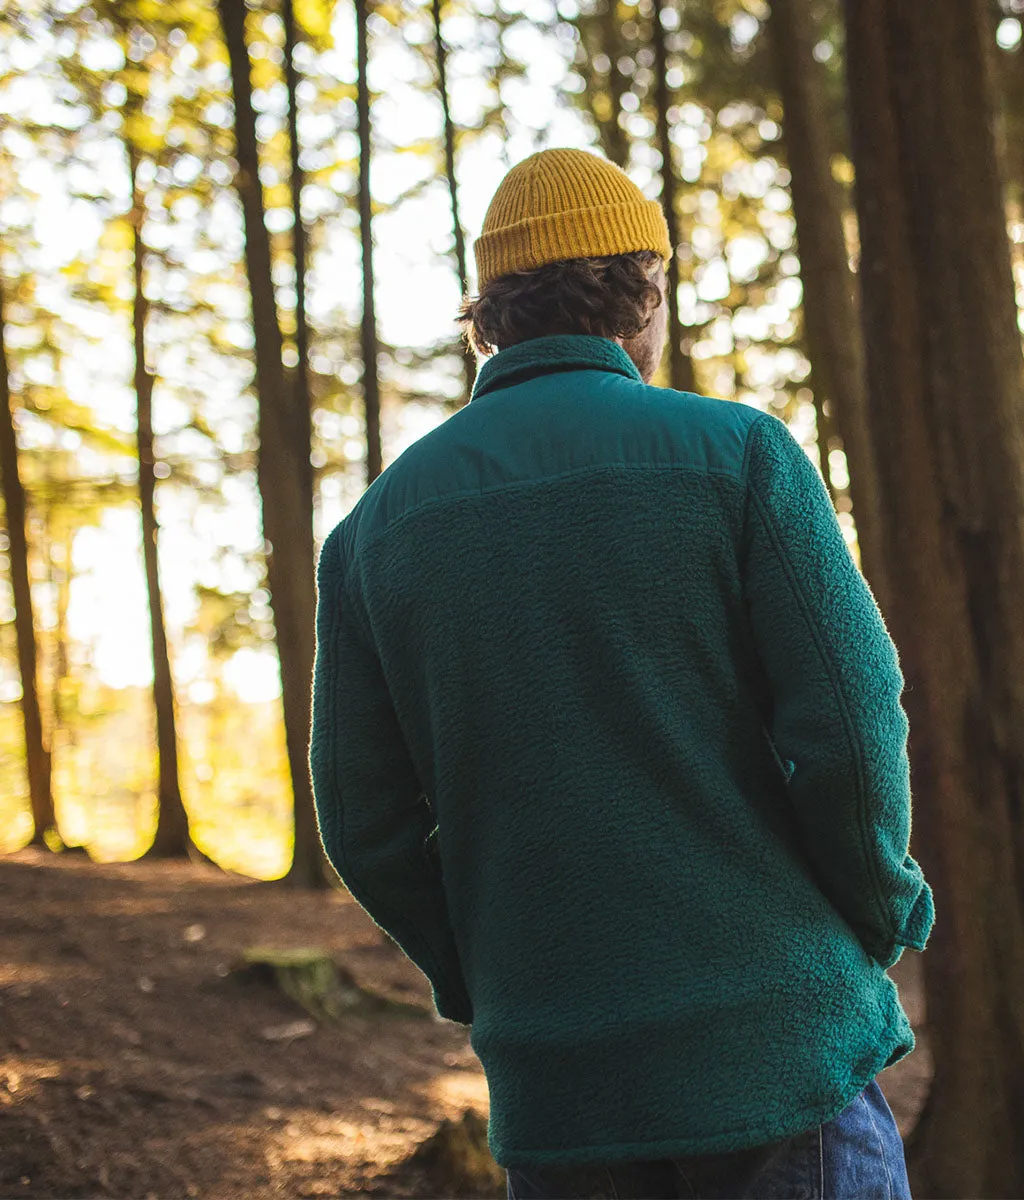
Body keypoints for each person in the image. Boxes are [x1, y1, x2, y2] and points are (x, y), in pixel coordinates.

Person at [308, 147, 934, 1199]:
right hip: (779, 1052)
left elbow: (361, 819)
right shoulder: (739, 458)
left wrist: (482, 976)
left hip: (561, 1091)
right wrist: (881, 909)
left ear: (490, 317)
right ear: (646, 292)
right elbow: (855, 723)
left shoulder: (374, 534)